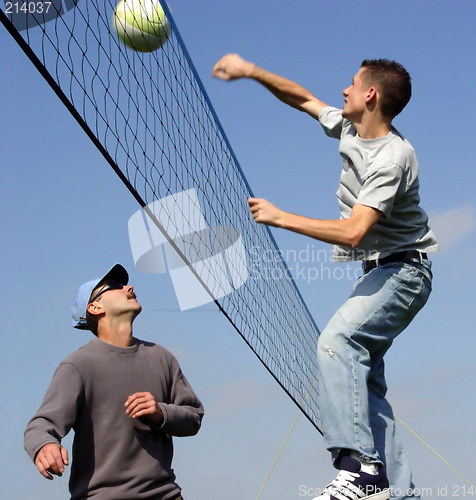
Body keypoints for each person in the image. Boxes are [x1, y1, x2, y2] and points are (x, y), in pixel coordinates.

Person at [212, 54, 438, 500]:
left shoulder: (392, 158)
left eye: (352, 84)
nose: (343, 90)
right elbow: (303, 99)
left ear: (370, 95)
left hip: (405, 271)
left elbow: (355, 232)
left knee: (337, 342)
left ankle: (361, 472)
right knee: (365, 382)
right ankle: (398, 488)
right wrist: (253, 71)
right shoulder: (353, 128)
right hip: (380, 271)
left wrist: (280, 217)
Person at [24, 264, 204, 500]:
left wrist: (161, 413)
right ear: (95, 307)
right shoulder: (78, 365)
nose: (129, 288)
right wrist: (45, 445)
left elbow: (194, 417)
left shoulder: (162, 357)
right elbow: (41, 425)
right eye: (115, 287)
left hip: (165, 495)